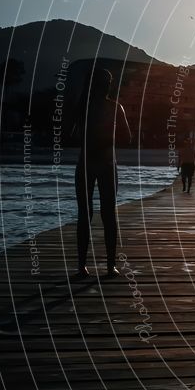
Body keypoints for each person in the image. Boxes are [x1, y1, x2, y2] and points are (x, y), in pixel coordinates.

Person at [70, 68, 132, 278]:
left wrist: (99, 139)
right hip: (98, 165)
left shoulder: (108, 107)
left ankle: (103, 265)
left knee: (101, 215)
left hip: (97, 164)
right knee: (96, 215)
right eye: (105, 82)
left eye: (109, 82)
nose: (107, 86)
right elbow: (127, 137)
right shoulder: (110, 107)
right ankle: (92, 266)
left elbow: (126, 137)